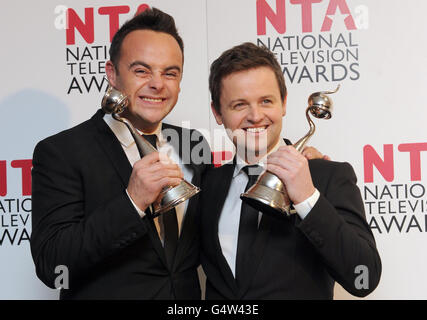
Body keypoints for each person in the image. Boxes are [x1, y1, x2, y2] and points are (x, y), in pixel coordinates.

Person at [30, 8, 210, 300]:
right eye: (141, 70)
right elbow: (53, 265)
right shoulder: (62, 152)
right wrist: (132, 201)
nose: (157, 83)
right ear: (111, 74)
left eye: (170, 73)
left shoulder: (192, 143)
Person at [200, 42, 382, 299]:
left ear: (284, 103)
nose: (255, 115)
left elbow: (364, 277)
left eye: (266, 101)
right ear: (217, 113)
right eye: (239, 105)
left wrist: (307, 197)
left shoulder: (327, 176)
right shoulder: (207, 183)